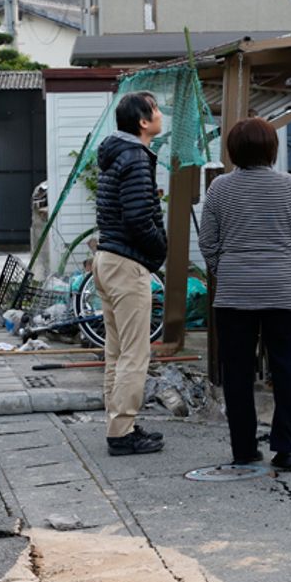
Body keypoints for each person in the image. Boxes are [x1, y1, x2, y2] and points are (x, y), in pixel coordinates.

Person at [198, 117, 291, 471]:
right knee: (286, 371)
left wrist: (228, 270)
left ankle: (244, 449)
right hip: (284, 292)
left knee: (236, 373)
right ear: (271, 148)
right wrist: (287, 273)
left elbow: (207, 243)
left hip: (235, 294)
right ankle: (287, 450)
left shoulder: (219, 189)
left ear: (233, 150)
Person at [93, 91, 167, 456]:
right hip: (126, 263)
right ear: (142, 121)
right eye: (155, 110)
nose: (160, 114)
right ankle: (122, 434)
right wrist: (160, 248)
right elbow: (139, 218)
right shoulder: (136, 157)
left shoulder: (114, 154)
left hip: (107, 258)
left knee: (116, 352)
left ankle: (119, 425)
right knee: (135, 354)